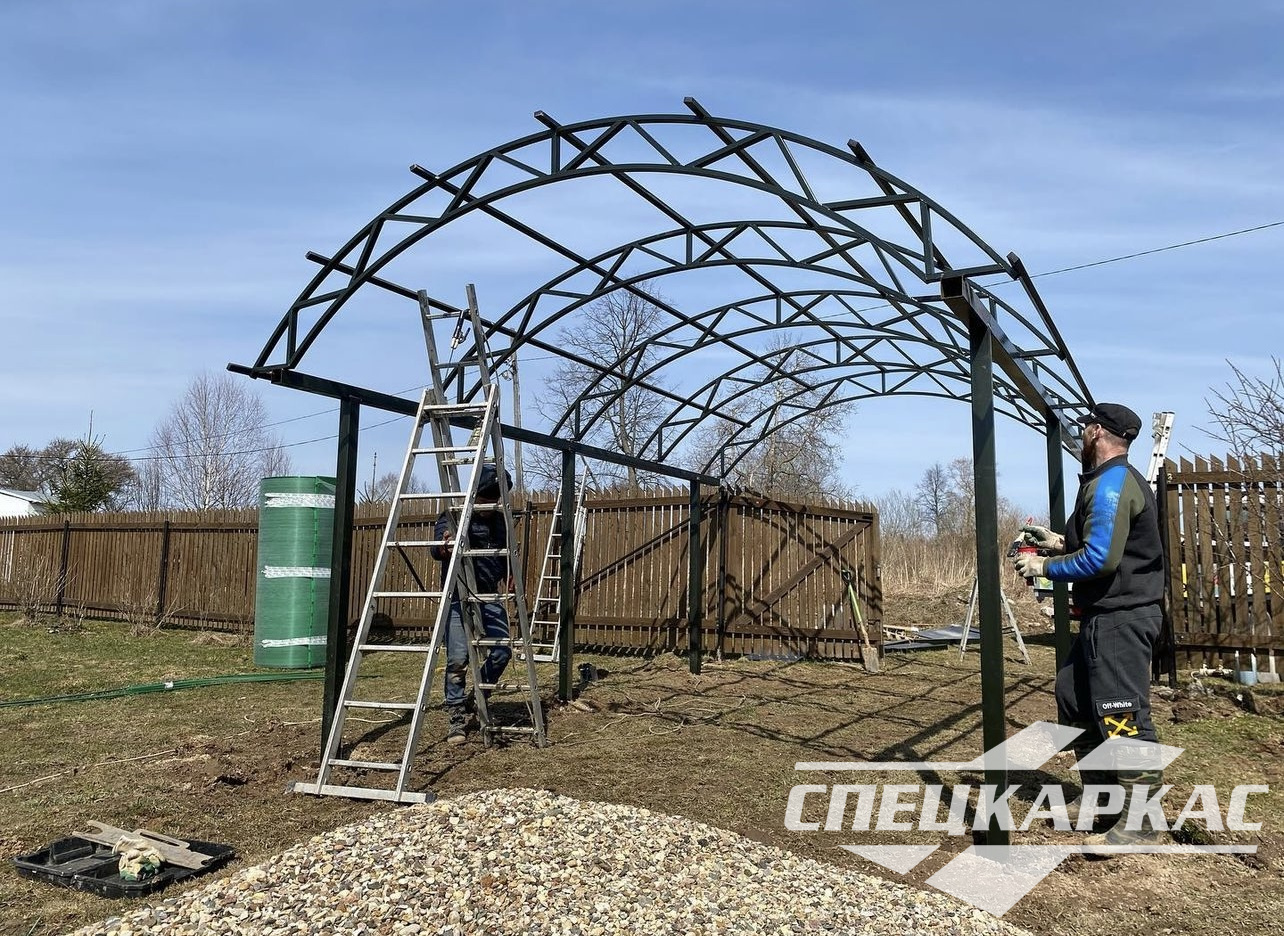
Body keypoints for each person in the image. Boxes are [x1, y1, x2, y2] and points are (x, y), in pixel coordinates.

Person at [1013, 402, 1166, 849]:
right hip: (1105, 614)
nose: (1081, 433)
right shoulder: (1106, 482)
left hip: (1123, 615)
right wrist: (1058, 541)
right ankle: (1103, 799)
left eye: (1085, 427)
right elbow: (1103, 541)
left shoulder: (1113, 483)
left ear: (1096, 431)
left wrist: (1043, 566)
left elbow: (1101, 559)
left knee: (1122, 712)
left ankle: (1142, 822)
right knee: (1075, 696)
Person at [430, 463, 514, 745]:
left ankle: (477, 699)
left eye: (496, 498)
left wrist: (510, 573)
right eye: (487, 497)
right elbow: (436, 549)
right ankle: (456, 717)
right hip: (458, 596)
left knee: (502, 651)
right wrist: (446, 545)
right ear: (476, 494)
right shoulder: (453, 516)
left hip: (488, 594)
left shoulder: (500, 521)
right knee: (457, 659)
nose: (491, 503)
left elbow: (505, 552)